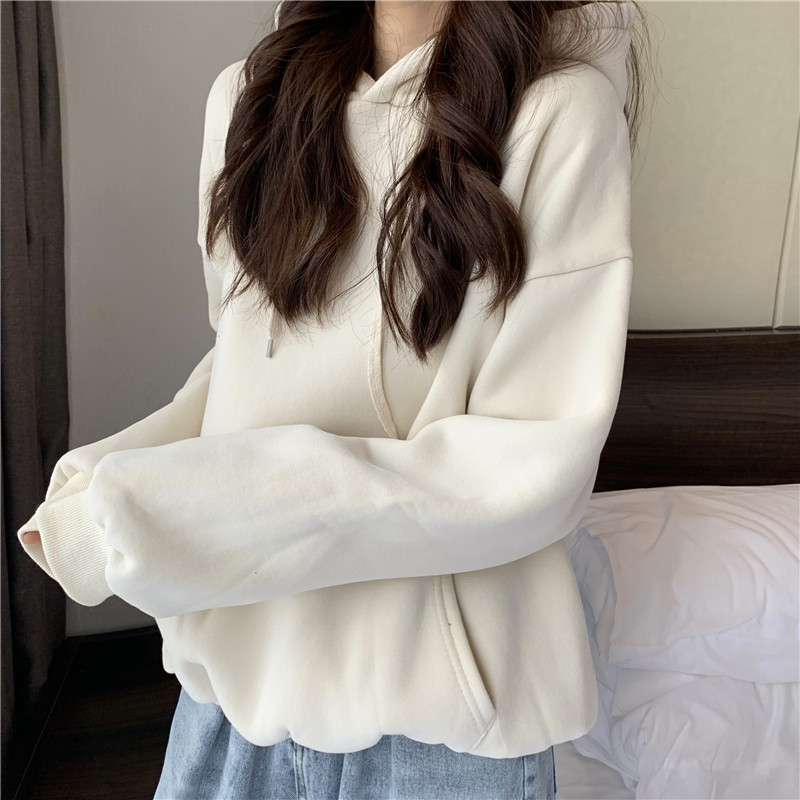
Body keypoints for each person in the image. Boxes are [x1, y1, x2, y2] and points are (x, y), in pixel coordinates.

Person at [18, 0, 647, 797]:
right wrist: (105, 486)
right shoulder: (248, 99)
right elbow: (240, 374)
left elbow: (526, 470)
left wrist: (166, 509)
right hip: (236, 695)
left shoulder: (559, 114)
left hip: (441, 734)